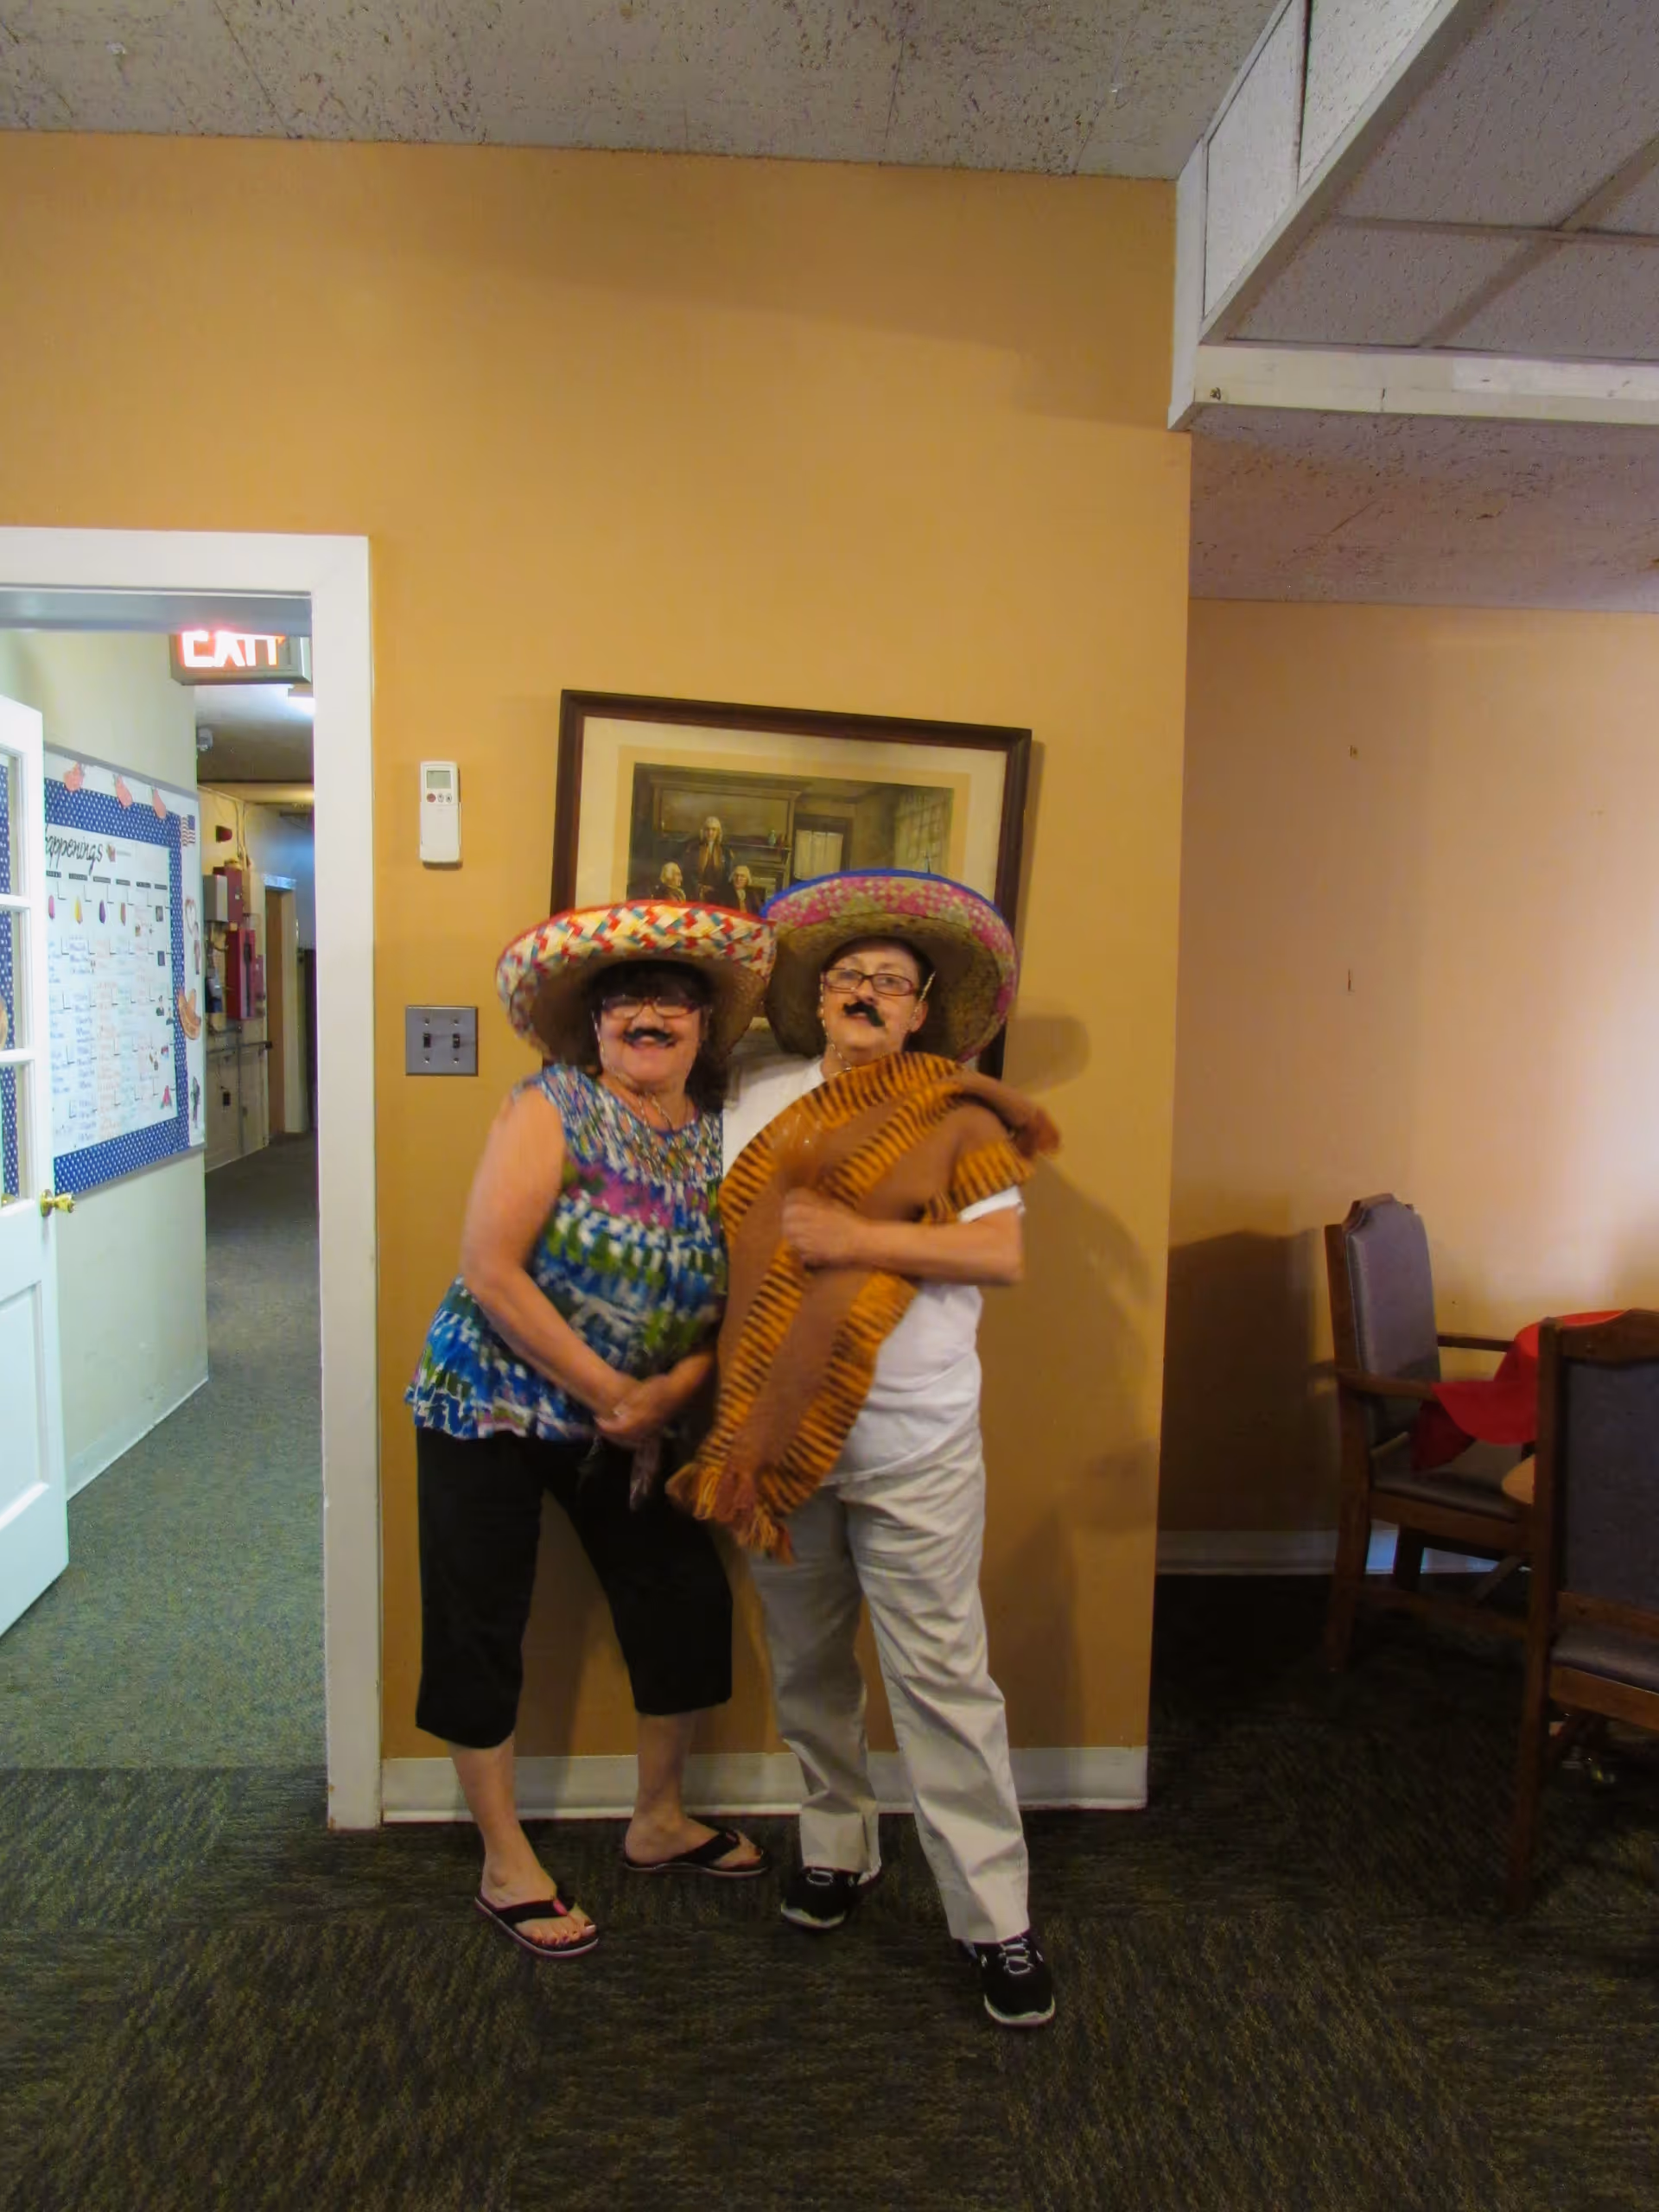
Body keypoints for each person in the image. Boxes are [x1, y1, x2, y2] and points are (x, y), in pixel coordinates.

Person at [676, 869, 1058, 2029]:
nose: (866, 993)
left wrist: (856, 1232)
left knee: (942, 1680)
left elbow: (1001, 1261)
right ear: (816, 996)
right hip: (776, 1440)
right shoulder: (756, 1093)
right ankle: (838, 1846)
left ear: (925, 1008)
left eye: (891, 982)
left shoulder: (957, 1109)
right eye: (846, 976)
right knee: (805, 1667)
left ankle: (996, 1920)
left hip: (915, 1440)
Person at [406, 899, 777, 1959]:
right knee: (481, 1618)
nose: (646, 1012)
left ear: (706, 1026)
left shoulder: (721, 1141)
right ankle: (501, 1857)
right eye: (624, 997)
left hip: (633, 1423)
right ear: (595, 1022)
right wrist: (613, 1390)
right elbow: (490, 1268)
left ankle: (657, 1819)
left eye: (671, 998)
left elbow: (737, 1302)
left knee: (684, 1595)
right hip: (486, 1400)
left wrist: (671, 1391)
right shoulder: (552, 1103)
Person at [679, 815, 735, 905]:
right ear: (703, 831)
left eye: (714, 829)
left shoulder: (726, 852)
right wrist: (700, 888)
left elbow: (727, 875)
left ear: (718, 832)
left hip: (718, 894)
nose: (710, 833)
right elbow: (688, 872)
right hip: (696, 894)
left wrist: (715, 889)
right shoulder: (693, 849)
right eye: (707, 829)